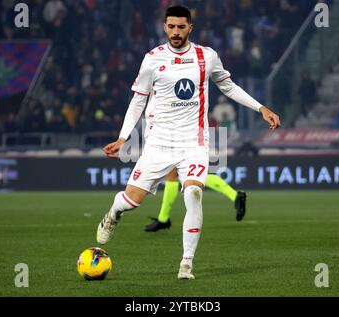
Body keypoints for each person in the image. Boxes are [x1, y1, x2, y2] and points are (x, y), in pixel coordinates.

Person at [97, 5, 281, 280]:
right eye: (171, 26)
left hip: (193, 142)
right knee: (131, 201)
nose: (175, 32)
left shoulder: (206, 56)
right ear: (164, 27)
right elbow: (138, 100)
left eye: (181, 27)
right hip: (158, 143)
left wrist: (260, 108)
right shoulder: (152, 59)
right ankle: (113, 212)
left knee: (193, 194)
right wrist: (123, 137)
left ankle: (186, 263)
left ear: (190, 28)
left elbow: (228, 86)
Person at [145, 168, 247, 232]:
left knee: (175, 174)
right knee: (177, 174)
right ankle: (235, 196)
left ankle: (163, 219)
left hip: (187, 138)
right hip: (192, 138)